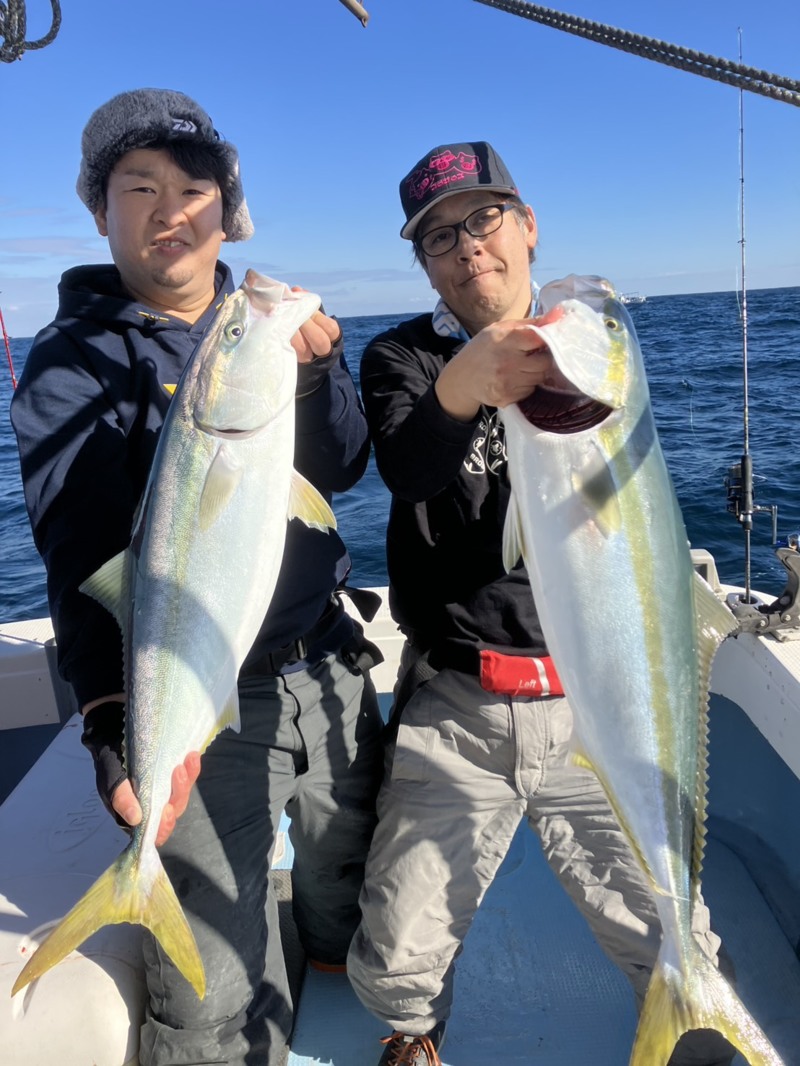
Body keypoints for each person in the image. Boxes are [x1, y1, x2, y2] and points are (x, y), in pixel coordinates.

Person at [11, 88, 384, 1066]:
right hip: (205, 700)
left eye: (193, 186)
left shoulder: (255, 333)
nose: (170, 207)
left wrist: (312, 374)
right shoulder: (70, 365)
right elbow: (81, 552)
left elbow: (338, 468)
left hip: (333, 665)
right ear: (101, 213)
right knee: (206, 986)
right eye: (139, 186)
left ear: (229, 208)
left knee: (345, 873)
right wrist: (107, 719)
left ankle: (331, 982)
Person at [346, 141, 737, 1066]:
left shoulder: (578, 348)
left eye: (484, 218)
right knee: (396, 961)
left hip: (595, 702)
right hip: (457, 703)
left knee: (678, 943)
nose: (467, 246)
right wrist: (460, 388)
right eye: (439, 236)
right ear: (425, 264)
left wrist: (565, 357)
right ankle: (414, 1032)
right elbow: (406, 466)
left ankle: (696, 1021)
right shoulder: (401, 356)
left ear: (526, 227)